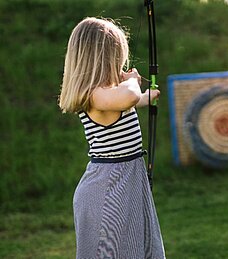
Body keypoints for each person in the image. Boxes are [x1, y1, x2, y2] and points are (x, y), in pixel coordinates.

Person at [58, 17, 165, 259]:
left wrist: (147, 95)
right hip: (107, 190)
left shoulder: (111, 96)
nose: (121, 65)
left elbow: (131, 101)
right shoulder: (96, 95)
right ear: (102, 60)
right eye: (118, 59)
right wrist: (133, 83)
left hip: (126, 182)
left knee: (137, 248)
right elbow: (128, 97)